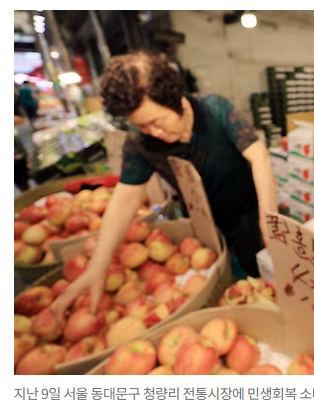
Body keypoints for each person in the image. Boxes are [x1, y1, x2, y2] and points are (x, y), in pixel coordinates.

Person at [51, 51, 277, 318]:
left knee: (261, 278)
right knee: (221, 288)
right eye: (143, 126)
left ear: (176, 98)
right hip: (203, 223)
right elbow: (125, 200)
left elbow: (259, 156)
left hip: (246, 211)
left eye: (157, 121)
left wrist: (268, 218)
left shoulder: (215, 110)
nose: (154, 133)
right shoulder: (140, 142)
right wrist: (98, 266)